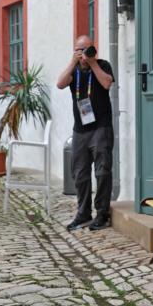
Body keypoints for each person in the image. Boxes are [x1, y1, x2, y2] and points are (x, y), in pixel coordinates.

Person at [55, 35, 114, 232]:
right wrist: (73, 62)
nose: (84, 54)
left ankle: (102, 213)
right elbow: (60, 84)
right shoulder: (74, 70)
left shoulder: (103, 65)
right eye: (80, 50)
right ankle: (83, 213)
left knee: (102, 171)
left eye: (88, 49)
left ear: (94, 51)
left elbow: (107, 84)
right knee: (79, 173)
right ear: (75, 51)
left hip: (101, 127)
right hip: (80, 129)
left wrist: (93, 63)